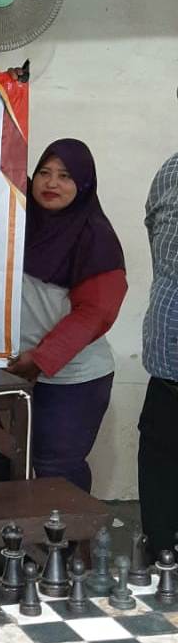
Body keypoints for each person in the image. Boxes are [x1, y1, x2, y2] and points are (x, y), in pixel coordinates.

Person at [0, 139, 128, 493]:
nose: (51, 183)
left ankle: (63, 533)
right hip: (2, 368)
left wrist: (42, 359)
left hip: (70, 378)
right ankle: (3, 532)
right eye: (44, 172)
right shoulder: (14, 217)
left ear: (84, 183)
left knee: (56, 467)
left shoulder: (95, 238)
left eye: (65, 176)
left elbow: (96, 312)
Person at [138, 150, 178, 558]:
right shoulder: (171, 171)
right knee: (161, 476)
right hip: (166, 363)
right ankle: (161, 563)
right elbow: (156, 239)